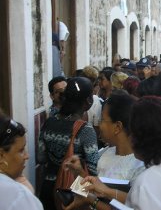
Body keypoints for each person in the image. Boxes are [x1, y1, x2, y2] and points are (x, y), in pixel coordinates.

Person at [79, 96, 161, 210]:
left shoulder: (146, 182)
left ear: (145, 137)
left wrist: (94, 201)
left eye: (133, 131)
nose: (130, 137)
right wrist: (106, 191)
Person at [63, 91, 144, 210]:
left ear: (117, 127)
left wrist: (92, 201)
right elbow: (95, 190)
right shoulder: (106, 153)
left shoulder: (139, 165)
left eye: (102, 119)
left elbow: (133, 205)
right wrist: (78, 172)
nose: (99, 125)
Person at [38, 77, 99, 210]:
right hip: (74, 192)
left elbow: (41, 157)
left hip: (49, 188)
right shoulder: (86, 130)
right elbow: (93, 170)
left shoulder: (49, 122)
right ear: (88, 101)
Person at [0, 114, 43, 210]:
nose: (27, 156)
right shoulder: (16, 196)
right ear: (1, 155)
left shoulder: (50, 123)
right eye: (21, 150)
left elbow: (42, 157)